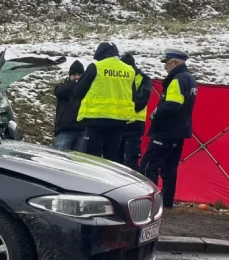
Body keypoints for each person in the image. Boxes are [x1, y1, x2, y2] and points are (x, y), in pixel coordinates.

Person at [140, 48, 198, 209]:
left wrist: (155, 113)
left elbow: (172, 104)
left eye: (167, 63)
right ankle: (166, 201)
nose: (165, 67)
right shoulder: (190, 78)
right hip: (180, 130)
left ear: (174, 62)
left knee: (148, 164)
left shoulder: (177, 79)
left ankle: (148, 201)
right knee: (169, 168)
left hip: (166, 130)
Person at [72, 41, 137, 161]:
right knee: (112, 159)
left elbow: (78, 91)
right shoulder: (130, 70)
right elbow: (133, 95)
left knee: (93, 158)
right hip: (119, 120)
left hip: (96, 118)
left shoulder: (96, 67)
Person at [120, 53, 153, 171]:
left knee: (131, 162)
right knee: (115, 162)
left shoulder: (143, 78)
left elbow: (141, 102)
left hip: (134, 124)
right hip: (119, 122)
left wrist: (121, 106)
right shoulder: (120, 78)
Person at [52, 60, 85, 151]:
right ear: (69, 75)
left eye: (79, 75)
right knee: (60, 158)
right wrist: (73, 84)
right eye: (74, 75)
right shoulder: (64, 87)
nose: (76, 77)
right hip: (65, 130)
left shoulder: (86, 89)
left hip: (82, 130)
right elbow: (58, 92)